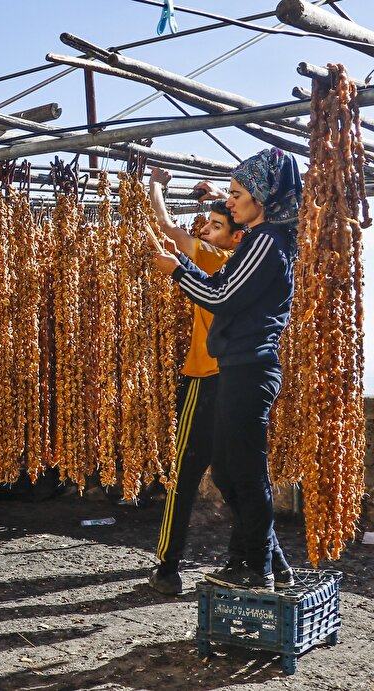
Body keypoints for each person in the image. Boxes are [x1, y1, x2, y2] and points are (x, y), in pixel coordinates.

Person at [151, 148, 302, 592]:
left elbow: (220, 297)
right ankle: (263, 563)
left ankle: (256, 568)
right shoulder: (260, 239)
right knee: (230, 474)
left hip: (250, 368)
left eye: (237, 193)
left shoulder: (266, 241)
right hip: (239, 367)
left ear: (261, 195)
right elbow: (222, 284)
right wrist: (185, 262)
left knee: (246, 474)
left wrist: (176, 272)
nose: (230, 201)